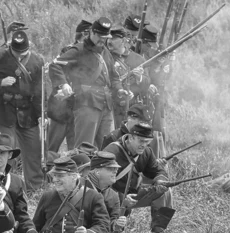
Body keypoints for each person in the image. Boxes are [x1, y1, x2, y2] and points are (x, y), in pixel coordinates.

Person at [0, 30, 46, 190]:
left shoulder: (37, 61)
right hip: (5, 112)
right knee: (4, 151)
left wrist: (41, 114)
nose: (19, 55)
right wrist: (0, 83)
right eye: (16, 52)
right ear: (11, 47)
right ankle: (1, 186)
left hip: (28, 113)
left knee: (33, 152)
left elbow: (41, 90)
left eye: (22, 52)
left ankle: (34, 188)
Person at [50, 17, 126, 150]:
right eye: (100, 36)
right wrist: (64, 84)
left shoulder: (105, 52)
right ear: (92, 33)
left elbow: (113, 77)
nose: (103, 40)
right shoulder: (78, 50)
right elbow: (55, 66)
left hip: (106, 105)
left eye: (105, 37)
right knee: (84, 149)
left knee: (108, 149)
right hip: (86, 105)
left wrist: (119, 89)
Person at [33, 157, 110, 233]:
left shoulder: (93, 196)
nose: (55, 180)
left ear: (74, 176)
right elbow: (36, 225)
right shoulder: (47, 196)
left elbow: (103, 225)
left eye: (60, 176)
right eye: (54, 175)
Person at [103, 123, 175, 233]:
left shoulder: (146, 151)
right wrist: (122, 198)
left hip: (134, 195)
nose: (144, 145)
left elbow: (156, 171)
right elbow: (101, 186)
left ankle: (159, 230)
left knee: (165, 191)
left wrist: (159, 181)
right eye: (141, 141)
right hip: (112, 198)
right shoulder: (112, 152)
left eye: (147, 142)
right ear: (131, 138)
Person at [46, 20, 92, 153]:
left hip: (80, 108)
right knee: (51, 149)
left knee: (76, 149)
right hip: (62, 108)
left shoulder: (94, 54)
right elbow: (56, 69)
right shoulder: (68, 51)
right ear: (84, 35)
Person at [107, 25, 152, 129]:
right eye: (108, 38)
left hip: (131, 108)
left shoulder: (138, 59)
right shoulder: (105, 57)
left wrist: (139, 77)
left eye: (113, 38)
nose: (109, 41)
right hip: (110, 107)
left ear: (123, 41)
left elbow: (147, 83)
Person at [85, 151, 127, 233]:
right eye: (110, 169)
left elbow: (112, 219)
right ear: (97, 171)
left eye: (116, 169)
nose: (116, 171)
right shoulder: (80, 188)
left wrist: (116, 224)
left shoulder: (113, 195)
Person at [140, 25, 169, 158]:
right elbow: (149, 78)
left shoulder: (152, 55)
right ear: (144, 42)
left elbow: (161, 79)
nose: (152, 46)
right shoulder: (141, 56)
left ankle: (158, 157)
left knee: (158, 130)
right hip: (143, 99)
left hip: (155, 98)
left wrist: (165, 65)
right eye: (150, 44)